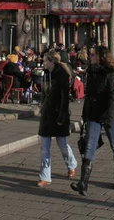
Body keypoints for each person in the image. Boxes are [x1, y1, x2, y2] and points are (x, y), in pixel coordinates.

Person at [71, 45, 114, 196]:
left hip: (109, 115)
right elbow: (89, 96)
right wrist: (84, 114)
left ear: (101, 57)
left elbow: (113, 98)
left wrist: (109, 117)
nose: (90, 57)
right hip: (93, 115)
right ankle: (83, 183)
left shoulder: (110, 73)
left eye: (93, 55)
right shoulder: (91, 71)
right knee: (89, 146)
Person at [37, 51, 77, 187]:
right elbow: (44, 93)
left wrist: (62, 115)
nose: (43, 63)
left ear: (52, 61)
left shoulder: (62, 75)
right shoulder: (45, 75)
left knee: (62, 144)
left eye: (45, 61)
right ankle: (45, 177)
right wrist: (42, 107)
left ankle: (71, 164)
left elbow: (64, 98)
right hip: (47, 114)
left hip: (59, 113)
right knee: (44, 147)